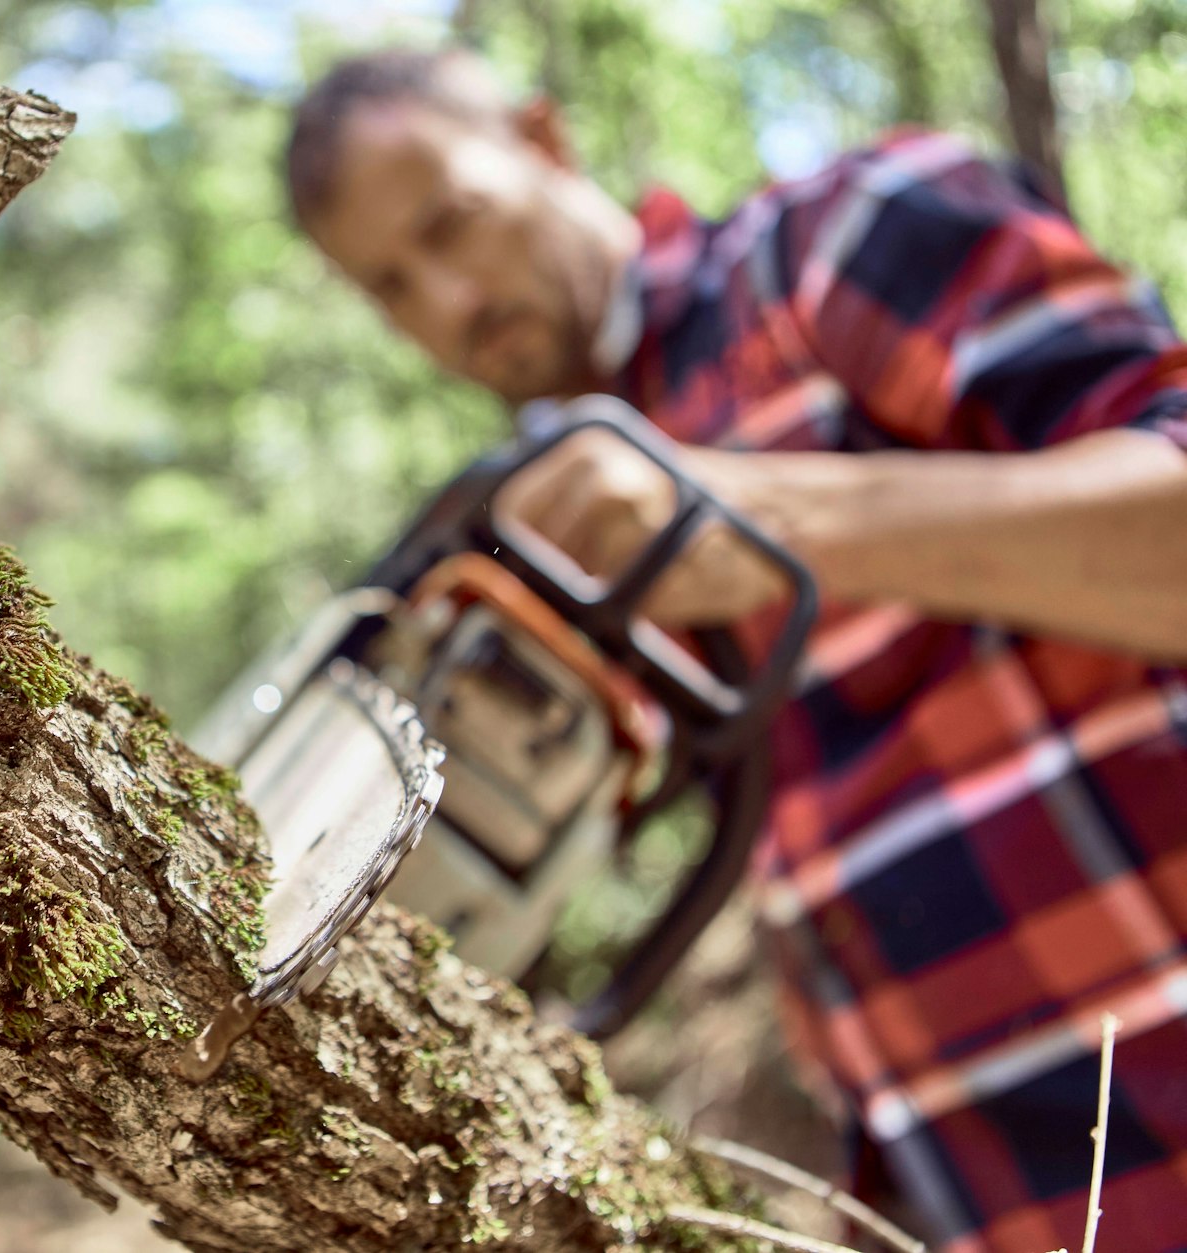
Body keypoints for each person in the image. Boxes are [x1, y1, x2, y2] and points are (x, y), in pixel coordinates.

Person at [284, 48, 1187, 1253]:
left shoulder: (827, 248)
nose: (447, 304)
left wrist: (769, 514)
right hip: (975, 1189)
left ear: (544, 144)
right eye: (390, 287)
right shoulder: (545, 536)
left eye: (452, 224)